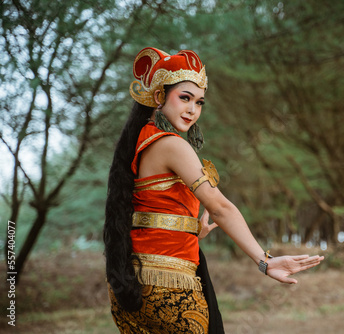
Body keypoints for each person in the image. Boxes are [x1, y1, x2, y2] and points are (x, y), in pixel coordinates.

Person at [103, 47, 324, 334]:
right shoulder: (172, 144)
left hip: (130, 283)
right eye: (184, 98)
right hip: (169, 286)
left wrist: (191, 228)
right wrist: (265, 261)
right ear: (159, 97)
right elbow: (221, 208)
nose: (193, 109)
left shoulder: (139, 142)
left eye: (199, 101)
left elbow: (149, 211)